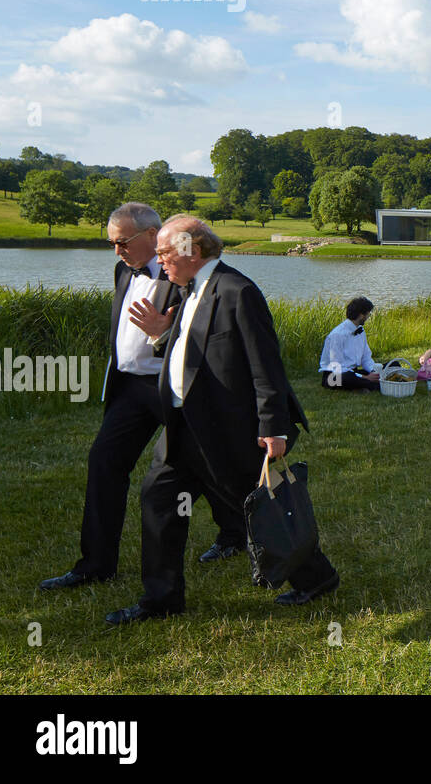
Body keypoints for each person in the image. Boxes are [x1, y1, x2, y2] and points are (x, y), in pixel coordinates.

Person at [105, 216, 339, 624]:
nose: (159, 262)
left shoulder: (238, 291)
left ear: (191, 252)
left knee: (261, 506)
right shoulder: (185, 288)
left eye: (163, 253)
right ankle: (160, 600)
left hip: (230, 429)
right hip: (182, 426)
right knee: (159, 500)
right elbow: (193, 353)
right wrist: (163, 336)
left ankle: (316, 578)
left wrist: (273, 428)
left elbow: (266, 365)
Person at [40, 204, 245, 592]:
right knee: (104, 462)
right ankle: (96, 565)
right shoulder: (123, 270)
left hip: (176, 388)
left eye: (122, 242)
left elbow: (208, 335)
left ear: (153, 235)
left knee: (209, 463)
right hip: (131, 388)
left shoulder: (188, 272)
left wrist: (164, 333)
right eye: (112, 244)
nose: (117, 251)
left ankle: (237, 534)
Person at [319, 297, 381, 390]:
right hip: (335, 376)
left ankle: (369, 384)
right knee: (347, 378)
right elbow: (338, 368)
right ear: (361, 315)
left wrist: (374, 372)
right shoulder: (337, 335)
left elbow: (366, 358)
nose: (368, 317)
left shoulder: (361, 331)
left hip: (354, 373)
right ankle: (369, 384)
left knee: (393, 364)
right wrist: (366, 377)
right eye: (368, 314)